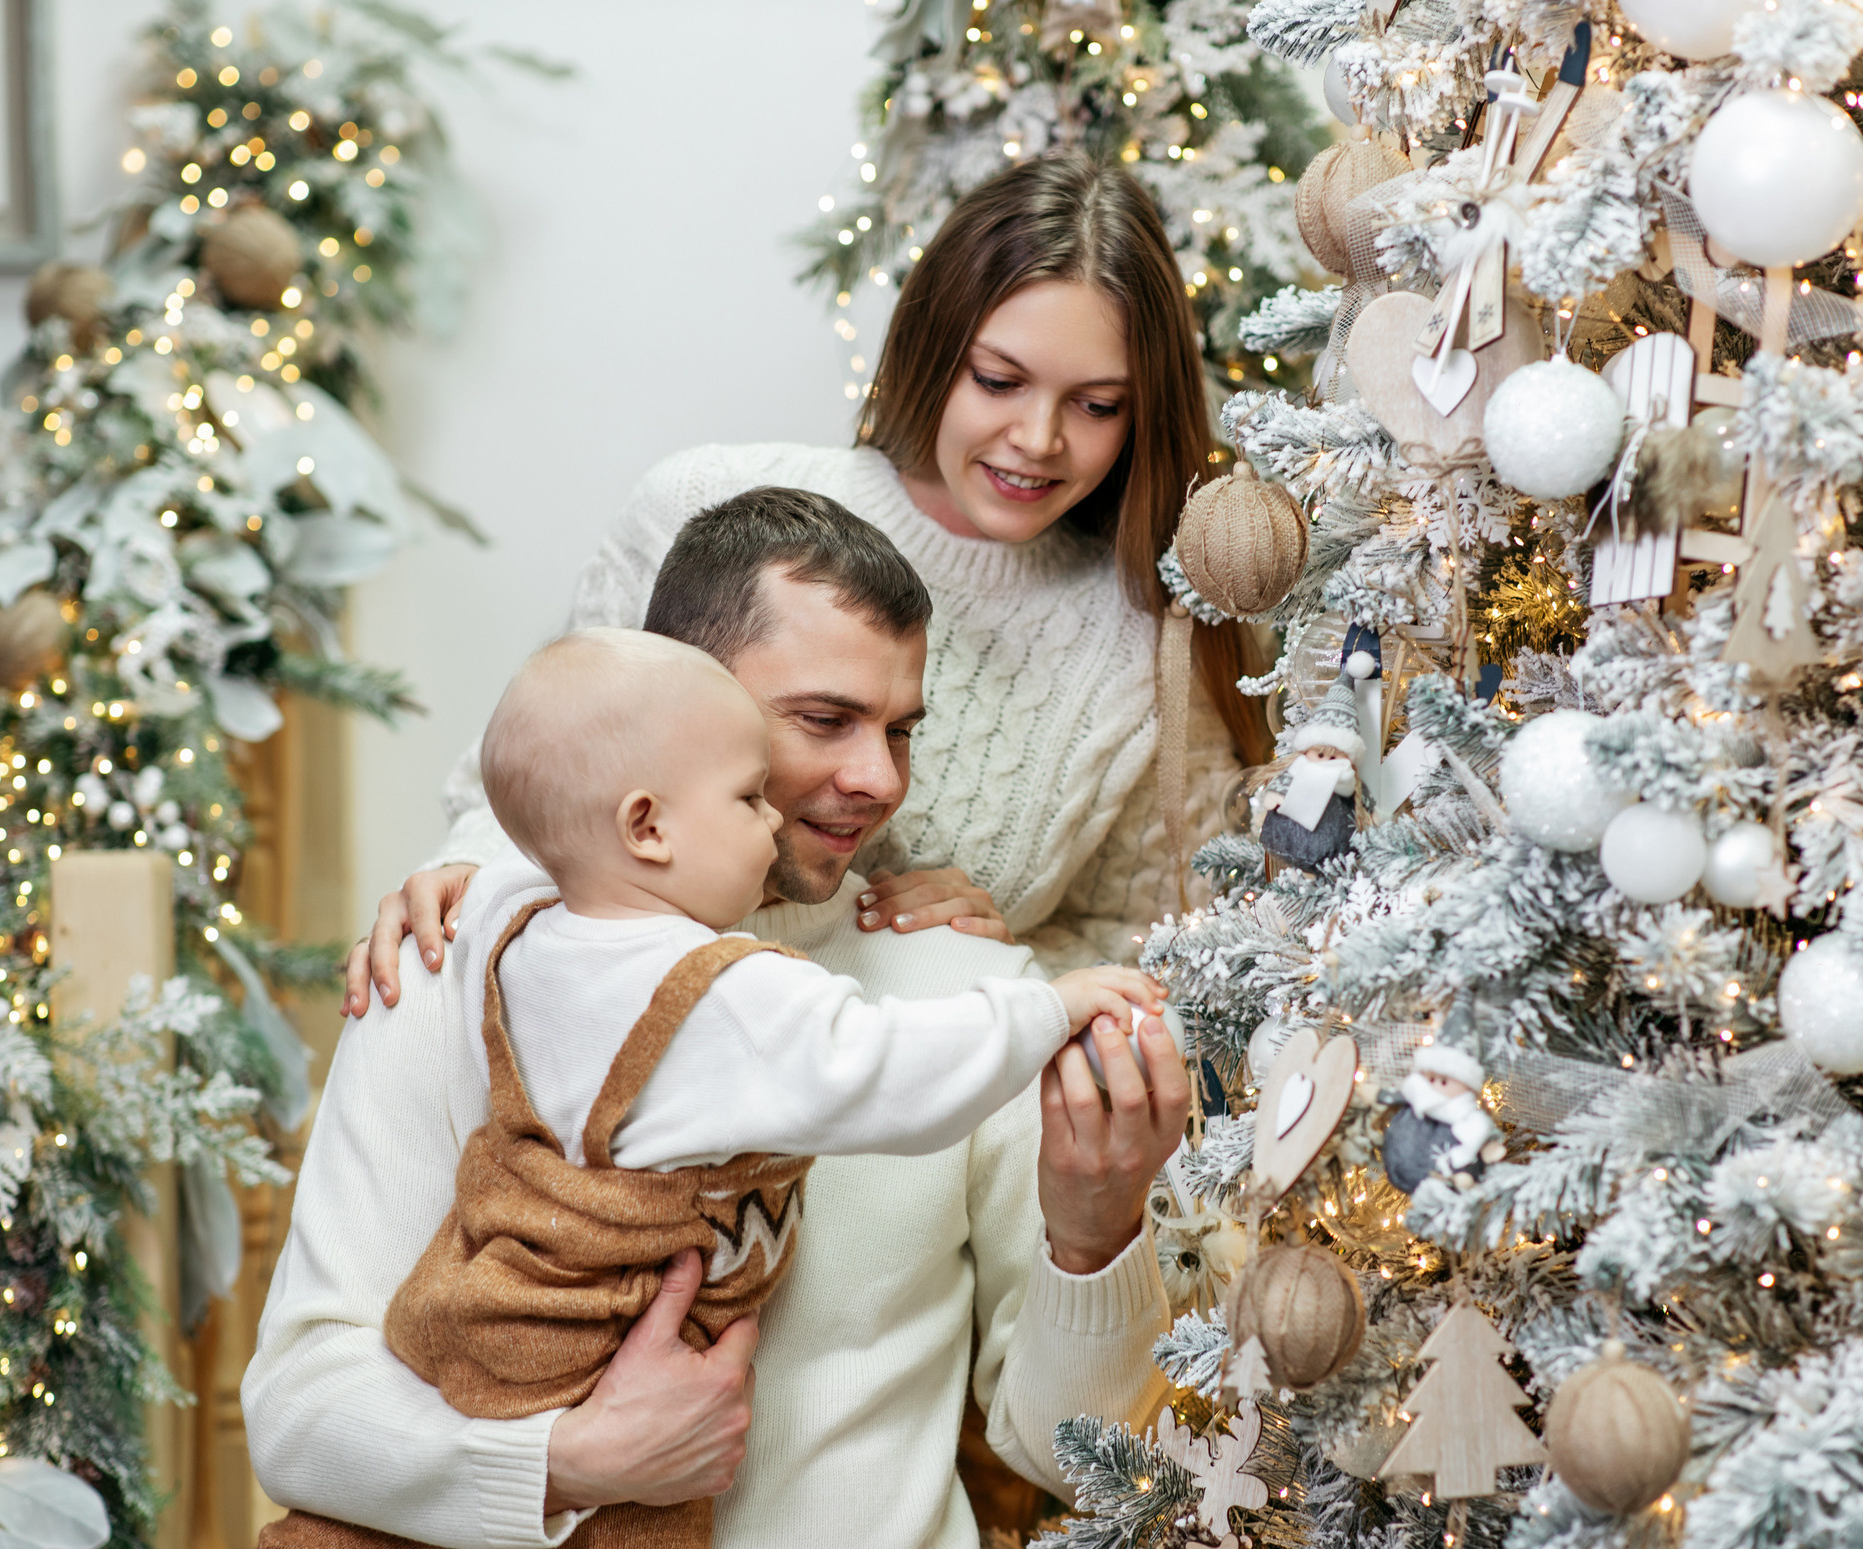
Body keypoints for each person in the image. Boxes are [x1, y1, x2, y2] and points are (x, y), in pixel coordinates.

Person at [243, 489, 1190, 1549]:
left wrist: (1096, 1234)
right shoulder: (456, 956)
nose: (880, 780)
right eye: (824, 721)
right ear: (679, 708)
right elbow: (299, 1413)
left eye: (899, 730)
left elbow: (1083, 1456)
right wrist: (566, 1465)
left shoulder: (965, 1000)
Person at [346, 152, 1267, 1014]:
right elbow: (533, 781)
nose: (1039, 438)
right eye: (998, 380)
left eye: (1097, 404)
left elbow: (1167, 944)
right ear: (933, 349)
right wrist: (464, 877)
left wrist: (1001, 953)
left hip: (913, 1153)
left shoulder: (1149, 632)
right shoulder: (702, 504)